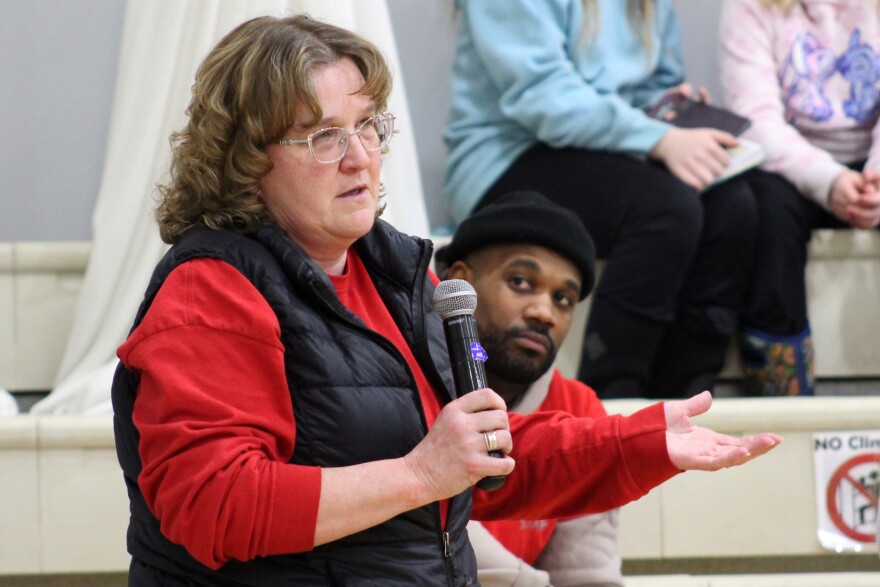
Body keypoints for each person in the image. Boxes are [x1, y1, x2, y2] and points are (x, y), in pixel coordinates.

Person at [110, 13, 781, 586]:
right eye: (323, 136)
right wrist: (417, 473)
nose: (360, 158)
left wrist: (645, 442)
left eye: (368, 126)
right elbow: (210, 503)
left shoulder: (396, 273)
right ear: (247, 159)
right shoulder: (212, 287)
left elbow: (486, 460)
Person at [443, 0, 759, 400]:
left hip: (611, 148)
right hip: (507, 156)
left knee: (733, 206)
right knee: (666, 207)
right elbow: (542, 96)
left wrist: (666, 109)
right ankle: (613, 395)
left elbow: (650, 85)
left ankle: (691, 396)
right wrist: (657, 137)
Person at [438, 191, 623, 586]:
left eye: (563, 299)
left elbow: (587, 573)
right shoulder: (404, 376)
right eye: (521, 282)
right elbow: (431, 537)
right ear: (461, 282)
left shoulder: (578, 410)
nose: (544, 312)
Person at [718, 0, 880, 395]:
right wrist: (829, 180)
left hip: (871, 164)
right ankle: (783, 394)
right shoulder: (748, 9)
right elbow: (756, 119)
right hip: (788, 163)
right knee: (762, 211)